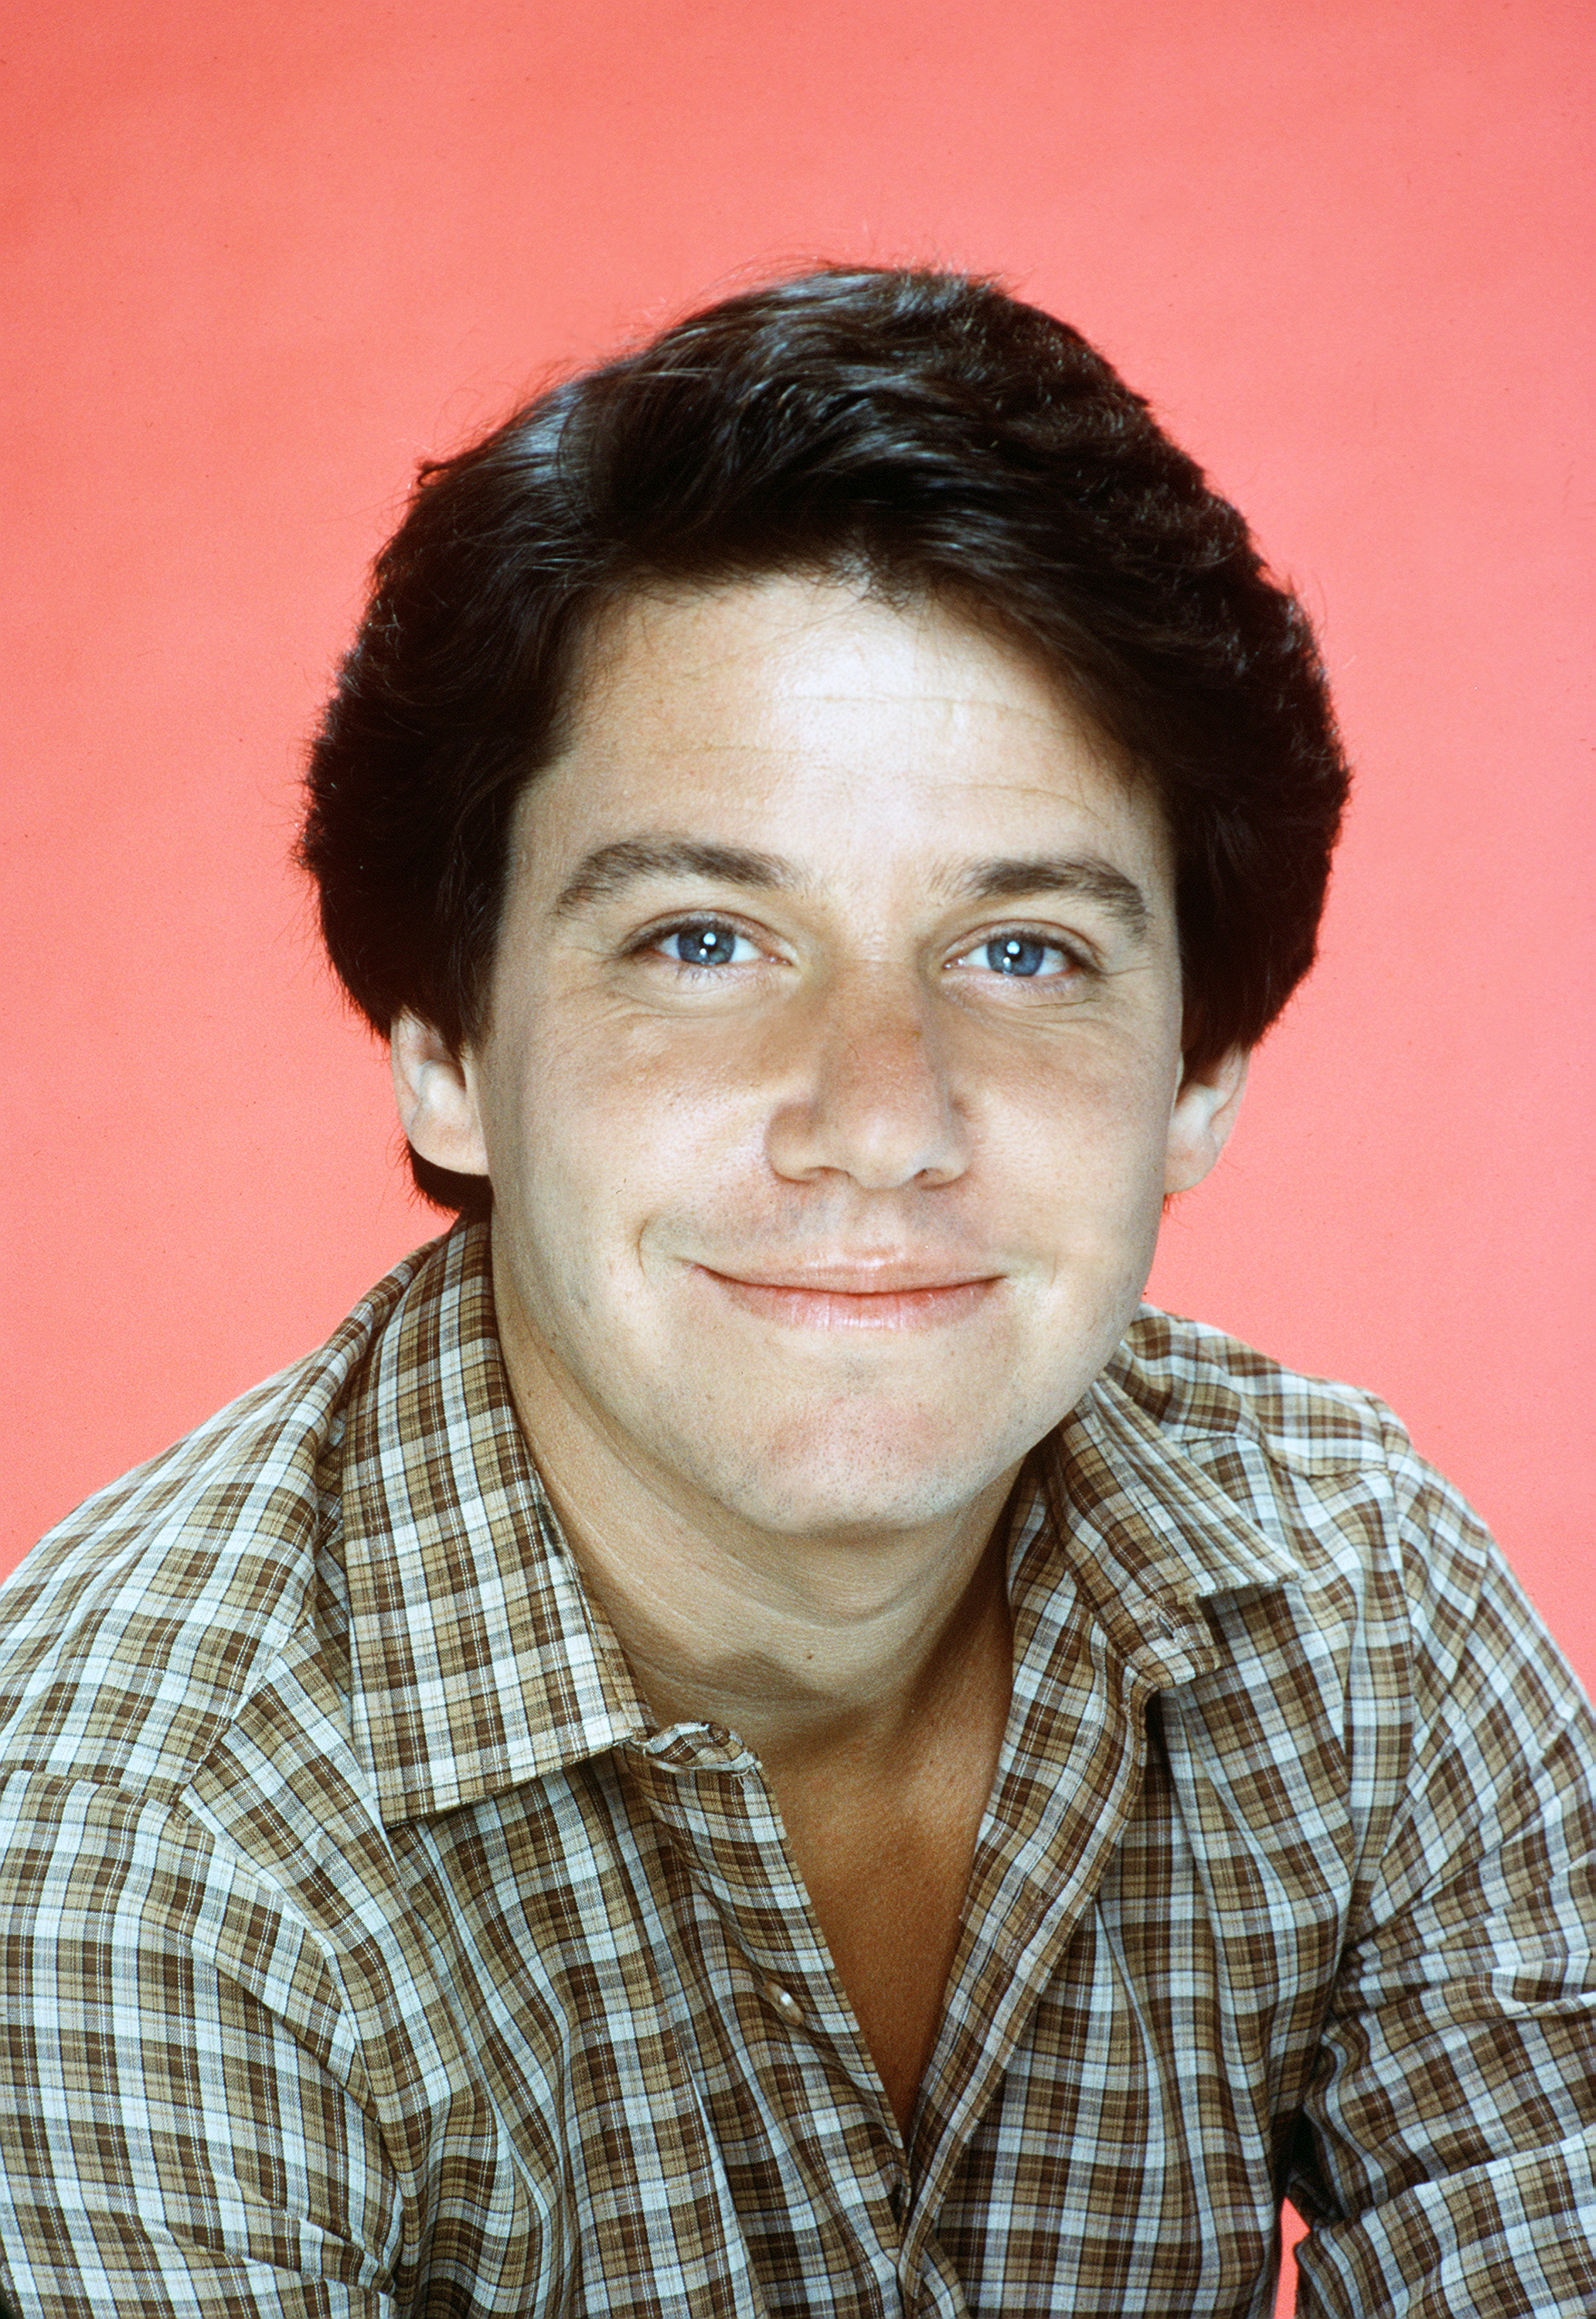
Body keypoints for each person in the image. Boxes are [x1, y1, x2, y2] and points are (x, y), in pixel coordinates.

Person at [0, 268, 1590, 2319]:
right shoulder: (140, 1849)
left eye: (1021, 952)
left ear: (1195, 1078)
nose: (879, 1119)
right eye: (696, 941)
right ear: (444, 1045)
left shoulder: (1353, 1611)